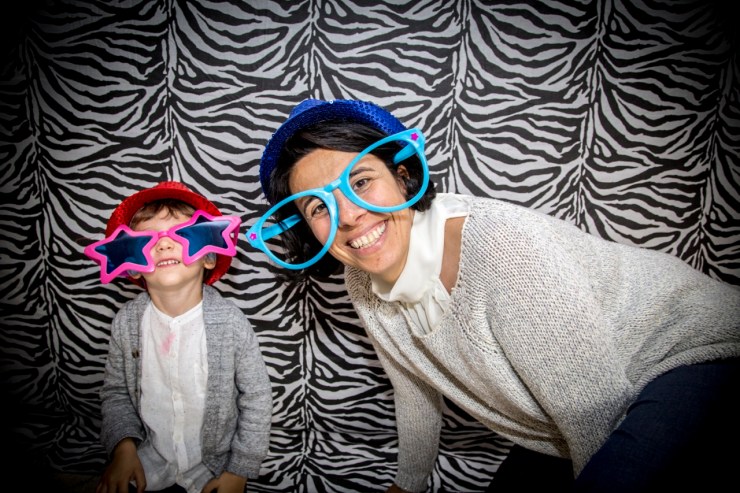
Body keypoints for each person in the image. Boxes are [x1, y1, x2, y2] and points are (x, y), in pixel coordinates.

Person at [245, 98, 740, 493]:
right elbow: (414, 390)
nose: (349, 216)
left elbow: (595, 410)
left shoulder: (500, 245)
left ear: (402, 175)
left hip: (692, 352)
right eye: (318, 207)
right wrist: (406, 486)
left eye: (361, 181)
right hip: (568, 410)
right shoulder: (361, 279)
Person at [85, 181, 273, 493]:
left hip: (214, 467)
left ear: (209, 257)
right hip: (148, 461)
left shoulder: (231, 323)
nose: (164, 244)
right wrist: (124, 449)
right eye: (146, 239)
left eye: (182, 234)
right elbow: (116, 393)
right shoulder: (126, 323)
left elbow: (257, 397)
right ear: (132, 266)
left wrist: (239, 470)